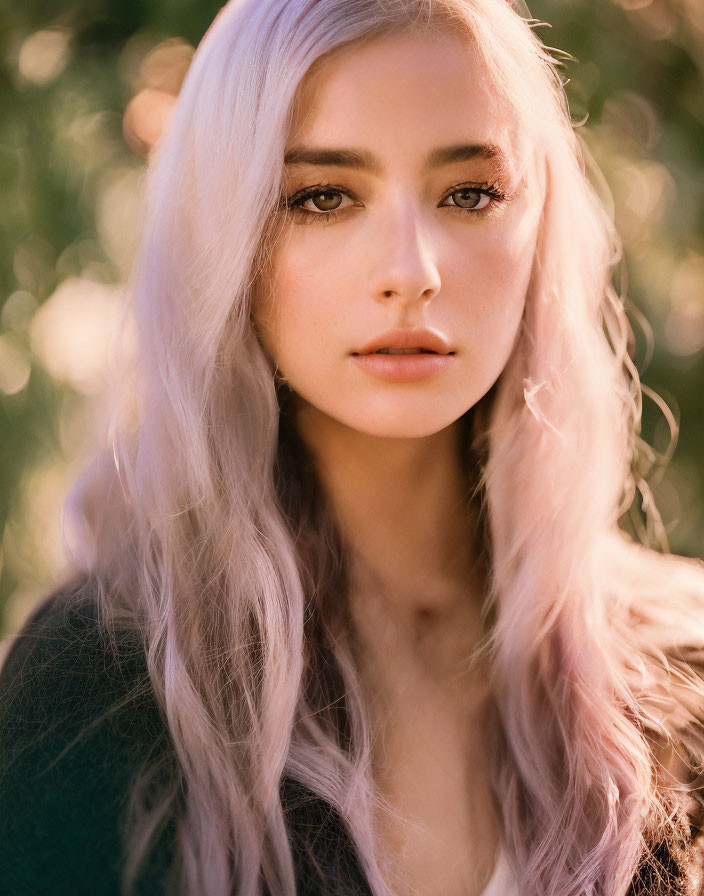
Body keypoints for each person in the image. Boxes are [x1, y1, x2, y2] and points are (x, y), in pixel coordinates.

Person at [2, 0, 704, 894]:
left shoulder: (687, 669)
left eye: (470, 192)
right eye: (324, 196)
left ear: (539, 231)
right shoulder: (95, 693)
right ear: (226, 237)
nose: (410, 272)